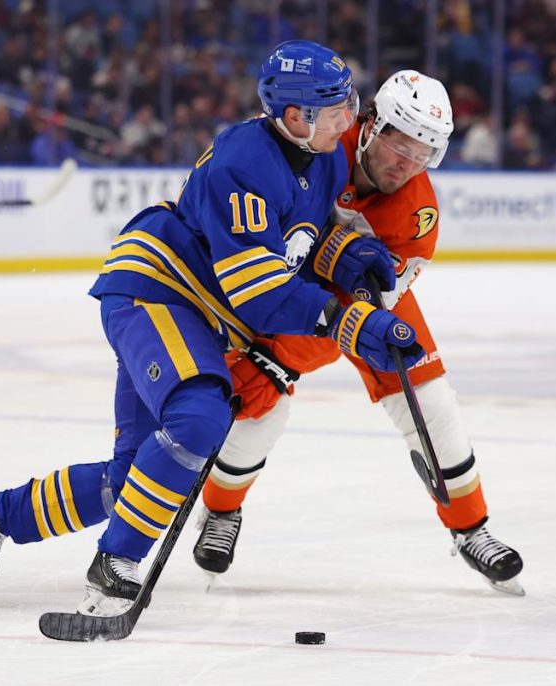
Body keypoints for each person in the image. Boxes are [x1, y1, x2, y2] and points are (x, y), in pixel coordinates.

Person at [0, 40, 422, 616]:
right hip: (160, 292)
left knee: (136, 480)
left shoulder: (325, 153)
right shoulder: (245, 160)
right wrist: (348, 323)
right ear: (296, 117)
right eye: (337, 108)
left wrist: (346, 254)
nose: (349, 117)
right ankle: (116, 561)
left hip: (191, 313)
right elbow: (259, 290)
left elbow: (299, 240)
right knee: (200, 416)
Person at [192, 71, 525, 596]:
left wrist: (291, 356)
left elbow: (370, 306)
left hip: (361, 304)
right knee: (262, 406)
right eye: (401, 146)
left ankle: (471, 527)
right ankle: (220, 511)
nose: (406, 165)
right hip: (286, 284)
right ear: (370, 125)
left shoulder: (419, 217)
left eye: (424, 155)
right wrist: (284, 352)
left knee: (432, 401)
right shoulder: (321, 138)